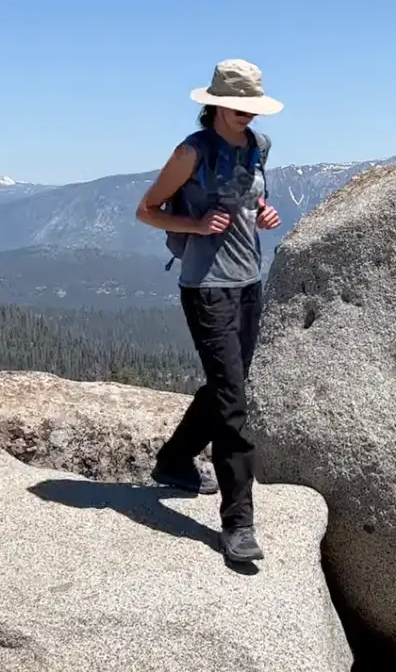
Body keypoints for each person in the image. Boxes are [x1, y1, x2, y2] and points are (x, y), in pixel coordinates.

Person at [135, 58, 283, 564]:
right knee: (232, 403)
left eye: (252, 105)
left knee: (227, 385)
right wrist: (196, 226)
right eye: (238, 105)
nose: (247, 113)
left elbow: (252, 204)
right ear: (217, 104)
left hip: (248, 283)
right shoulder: (191, 152)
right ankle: (238, 523)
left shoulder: (259, 146)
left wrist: (263, 214)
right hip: (206, 287)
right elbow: (147, 211)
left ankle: (174, 461)